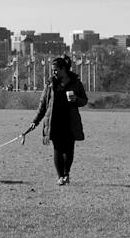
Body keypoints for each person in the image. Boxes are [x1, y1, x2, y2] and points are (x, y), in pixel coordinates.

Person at [27, 55, 88, 186]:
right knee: (58, 150)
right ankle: (60, 176)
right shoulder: (50, 84)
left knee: (69, 150)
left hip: (70, 122)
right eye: (53, 70)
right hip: (54, 122)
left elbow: (84, 100)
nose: (54, 72)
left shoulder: (76, 83)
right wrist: (35, 121)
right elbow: (43, 105)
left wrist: (76, 99)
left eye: (56, 70)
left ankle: (66, 174)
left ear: (64, 69)